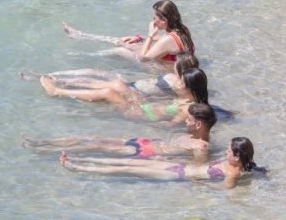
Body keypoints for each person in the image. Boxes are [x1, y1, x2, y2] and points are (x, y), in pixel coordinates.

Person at [24, 102, 217, 163]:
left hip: (144, 153)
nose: (185, 120)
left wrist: (160, 161)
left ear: (199, 124)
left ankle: (45, 152)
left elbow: (194, 169)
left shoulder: (201, 146)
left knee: (96, 146)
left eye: (189, 119)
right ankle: (42, 142)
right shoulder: (191, 136)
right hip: (145, 142)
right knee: (91, 137)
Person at [60, 137, 267, 189]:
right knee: (128, 163)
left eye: (229, 150)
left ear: (238, 156)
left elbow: (225, 191)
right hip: (178, 167)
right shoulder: (227, 163)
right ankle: (80, 158)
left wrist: (200, 184)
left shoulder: (233, 174)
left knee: (127, 168)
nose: (226, 150)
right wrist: (169, 158)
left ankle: (77, 167)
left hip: (176, 175)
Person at [39, 67, 210, 125]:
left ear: (191, 89)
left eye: (181, 82)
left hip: (141, 114)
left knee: (108, 93)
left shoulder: (189, 107)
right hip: (146, 107)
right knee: (119, 84)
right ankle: (67, 83)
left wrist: (153, 126)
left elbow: (172, 124)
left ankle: (57, 92)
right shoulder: (188, 98)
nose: (176, 83)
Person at [62, 0, 195, 71]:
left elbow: (144, 58)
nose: (153, 21)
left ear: (164, 20)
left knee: (120, 50)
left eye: (154, 18)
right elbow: (164, 42)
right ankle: (80, 35)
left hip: (165, 69)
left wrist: (149, 36)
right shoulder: (182, 29)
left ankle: (86, 56)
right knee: (125, 41)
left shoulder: (168, 40)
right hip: (168, 62)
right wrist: (139, 38)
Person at [22, 52, 199, 104]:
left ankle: (59, 90)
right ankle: (57, 80)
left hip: (136, 92)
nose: (174, 64)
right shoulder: (177, 78)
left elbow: (185, 100)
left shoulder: (181, 86)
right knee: (97, 76)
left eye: (177, 63)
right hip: (134, 85)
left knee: (102, 88)